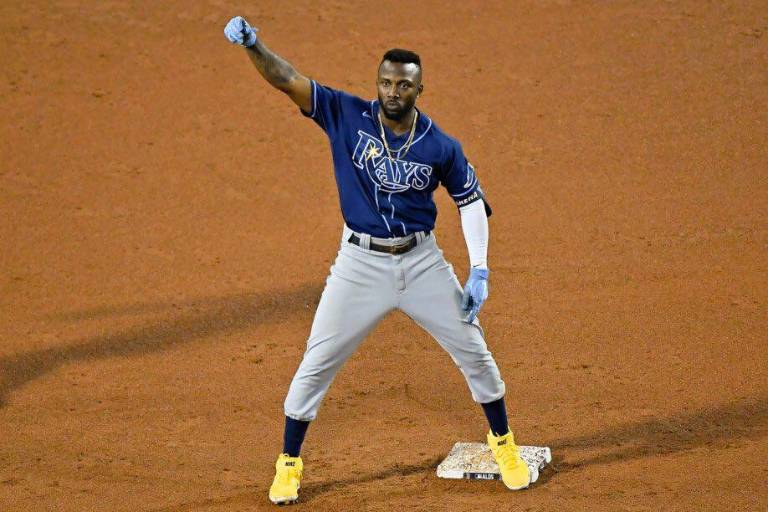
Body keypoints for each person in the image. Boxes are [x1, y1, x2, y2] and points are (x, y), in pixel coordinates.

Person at [223, 15, 531, 505]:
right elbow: (287, 79)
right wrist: (254, 46)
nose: (393, 91)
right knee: (316, 363)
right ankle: (289, 462)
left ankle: (504, 446)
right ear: (378, 84)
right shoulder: (345, 114)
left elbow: (469, 199)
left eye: (403, 85)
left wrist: (479, 268)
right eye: (386, 82)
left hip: (422, 263)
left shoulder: (440, 145)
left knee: (475, 354)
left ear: (419, 89)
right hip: (358, 265)